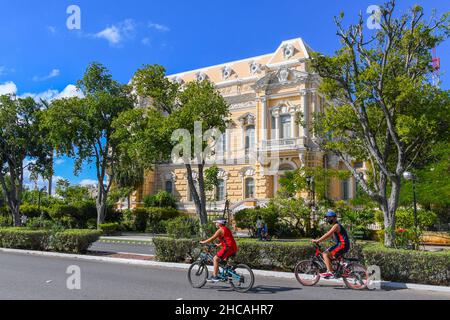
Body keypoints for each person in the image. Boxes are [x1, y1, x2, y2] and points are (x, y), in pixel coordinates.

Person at [312, 211, 350, 279]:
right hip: (341, 244)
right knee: (330, 254)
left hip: (342, 244)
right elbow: (329, 235)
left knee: (325, 254)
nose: (328, 220)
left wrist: (318, 240)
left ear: (334, 218)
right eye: (327, 218)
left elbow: (328, 234)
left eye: (329, 218)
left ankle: (330, 272)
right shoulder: (335, 225)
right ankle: (341, 266)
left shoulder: (336, 226)